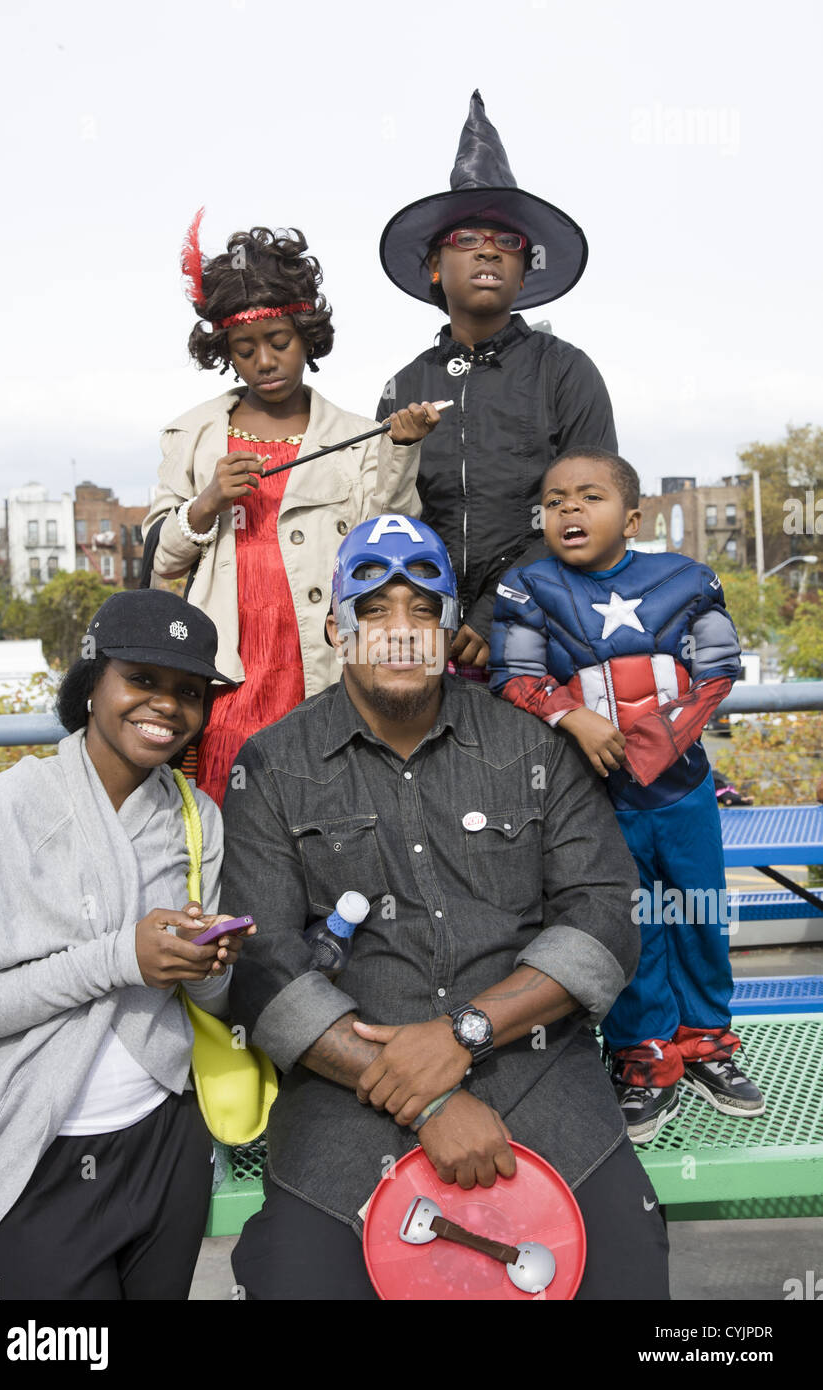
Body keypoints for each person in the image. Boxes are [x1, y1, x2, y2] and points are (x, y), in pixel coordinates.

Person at [220, 513, 670, 1301]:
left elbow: (603, 917)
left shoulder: (534, 747)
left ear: (453, 627)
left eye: (424, 612)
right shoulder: (274, 765)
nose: (402, 633)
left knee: (626, 1272)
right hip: (350, 1100)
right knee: (298, 1280)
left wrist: (468, 1032)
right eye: (376, 611)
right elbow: (263, 966)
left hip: (541, 1081)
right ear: (337, 627)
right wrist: (428, 1096)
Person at [0, 589, 252, 1300]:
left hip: (165, 1146)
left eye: (188, 690)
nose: (166, 706)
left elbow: (206, 1001)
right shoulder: (6, 808)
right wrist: (121, 958)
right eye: (142, 679)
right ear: (92, 683)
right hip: (32, 1157)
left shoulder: (196, 816)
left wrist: (209, 964)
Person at [490, 446, 765, 1142]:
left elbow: (719, 666)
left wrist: (653, 743)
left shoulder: (686, 578)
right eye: (554, 502)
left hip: (682, 789)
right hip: (595, 801)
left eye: (589, 496)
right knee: (628, 926)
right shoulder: (529, 588)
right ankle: (643, 1052)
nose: (570, 510)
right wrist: (571, 714)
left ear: (633, 516)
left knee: (700, 912)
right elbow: (515, 675)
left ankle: (706, 1041)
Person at [143, 215, 439, 805]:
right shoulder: (193, 435)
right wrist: (205, 504)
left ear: (307, 337)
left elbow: (385, 537)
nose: (265, 361)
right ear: (226, 353)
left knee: (324, 792)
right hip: (229, 653)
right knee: (230, 794)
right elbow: (159, 562)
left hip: (319, 649)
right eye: (244, 349)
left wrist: (401, 449)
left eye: (279, 343)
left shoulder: (359, 434)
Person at [376, 91, 617, 671]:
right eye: (466, 238)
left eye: (508, 242)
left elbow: (588, 509)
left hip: (547, 629)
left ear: (523, 266)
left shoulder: (565, 370)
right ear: (436, 265)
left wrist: (496, 608)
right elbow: (385, 516)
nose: (489, 247)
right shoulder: (405, 384)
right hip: (428, 639)